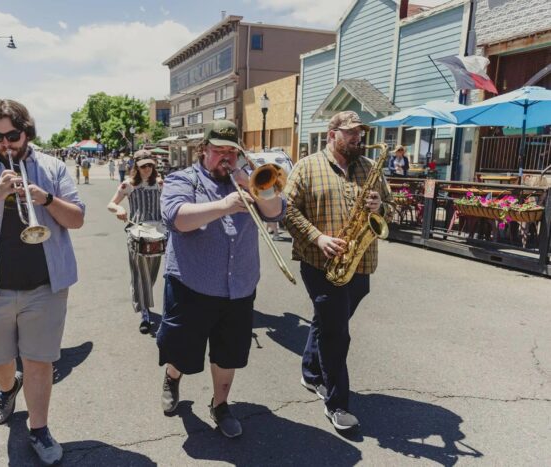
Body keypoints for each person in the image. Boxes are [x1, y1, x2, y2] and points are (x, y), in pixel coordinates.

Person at [0, 99, 85, 466]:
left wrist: (47, 199)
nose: (6, 144)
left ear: (26, 132)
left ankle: (39, 429)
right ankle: (9, 388)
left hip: (45, 286)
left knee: (39, 361)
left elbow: (76, 219)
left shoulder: (52, 167)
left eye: (12, 135)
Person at [156, 120, 286, 438]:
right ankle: (173, 377)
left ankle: (221, 404)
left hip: (239, 286)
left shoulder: (247, 179)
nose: (226, 158)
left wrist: (254, 185)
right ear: (203, 150)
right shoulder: (182, 178)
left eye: (232, 151)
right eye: (218, 151)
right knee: (182, 351)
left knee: (229, 354)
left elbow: (275, 213)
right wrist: (224, 206)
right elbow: (176, 218)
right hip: (191, 284)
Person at [283, 111, 392, 432]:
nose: (358, 138)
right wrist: (318, 237)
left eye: (360, 132)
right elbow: (287, 210)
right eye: (351, 133)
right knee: (336, 333)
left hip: (361, 263)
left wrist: (381, 207)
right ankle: (337, 404)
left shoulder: (369, 167)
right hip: (319, 263)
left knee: (328, 319)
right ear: (332, 135)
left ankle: (310, 372)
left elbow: (391, 206)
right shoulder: (306, 167)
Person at [107, 150, 164, 334]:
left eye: (150, 165)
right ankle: (144, 313)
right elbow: (111, 203)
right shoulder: (128, 185)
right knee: (140, 274)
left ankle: (143, 298)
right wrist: (119, 209)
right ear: (136, 167)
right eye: (143, 166)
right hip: (137, 233)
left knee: (151, 274)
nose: (147, 169)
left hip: (158, 233)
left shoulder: (160, 183)